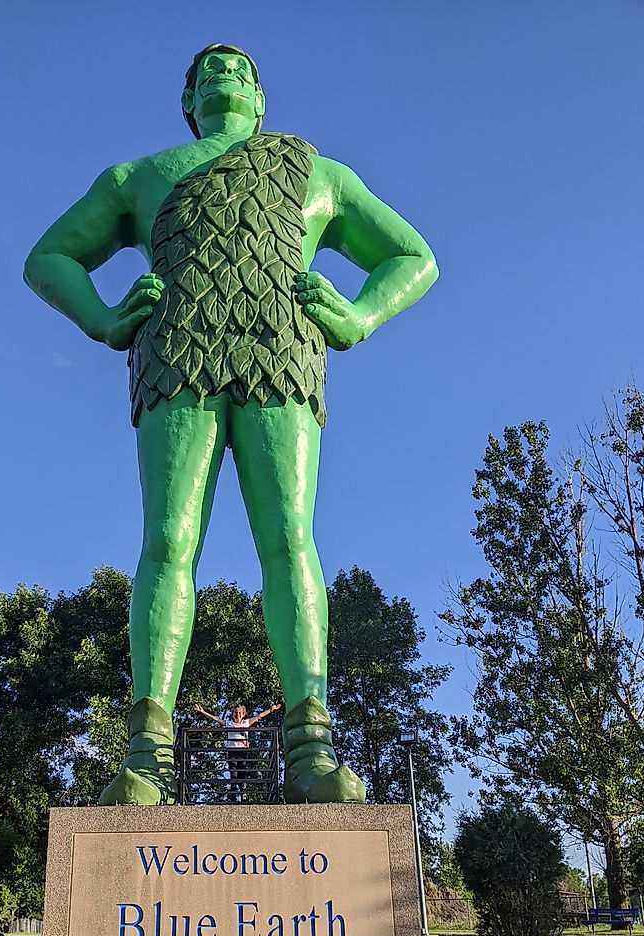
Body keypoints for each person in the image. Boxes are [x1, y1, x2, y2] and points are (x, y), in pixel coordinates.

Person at [24, 44, 438, 806]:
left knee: (288, 537)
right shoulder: (136, 177)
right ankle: (144, 754)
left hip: (282, 354)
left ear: (259, 96)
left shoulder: (319, 173)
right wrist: (105, 320)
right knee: (168, 541)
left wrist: (359, 315)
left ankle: (312, 747)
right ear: (187, 100)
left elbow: (412, 256)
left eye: (239, 69)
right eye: (207, 70)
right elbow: (50, 257)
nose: (225, 73)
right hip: (175, 356)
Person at [193, 701, 282, 801]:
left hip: (242, 752)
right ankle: (233, 793)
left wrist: (272, 709)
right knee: (234, 773)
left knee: (242, 773)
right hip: (232, 752)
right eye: (235, 713)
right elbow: (215, 718)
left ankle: (242, 792)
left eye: (239, 713)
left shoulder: (246, 723)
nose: (237, 715)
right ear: (233, 714)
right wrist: (202, 711)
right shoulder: (229, 723)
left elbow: (259, 716)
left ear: (243, 714)